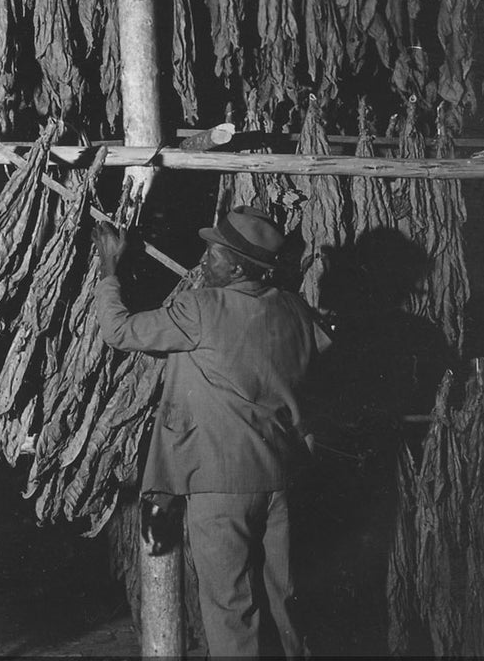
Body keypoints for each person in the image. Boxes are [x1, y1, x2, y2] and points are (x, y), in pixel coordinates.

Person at [92, 205, 332, 659]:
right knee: (284, 604)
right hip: (281, 480)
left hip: (221, 486)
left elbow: (119, 331)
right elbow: (318, 350)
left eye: (214, 255)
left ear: (238, 266)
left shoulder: (201, 308)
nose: (204, 262)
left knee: (230, 609)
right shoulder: (295, 309)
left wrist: (109, 267)